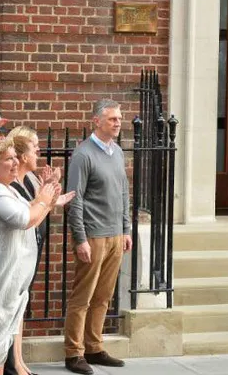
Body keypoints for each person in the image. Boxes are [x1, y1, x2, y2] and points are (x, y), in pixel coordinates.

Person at [0, 139, 72, 375]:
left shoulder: (8, 190)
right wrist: (44, 199)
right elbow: (24, 219)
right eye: (8, 159)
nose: (15, 163)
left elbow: (32, 214)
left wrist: (47, 202)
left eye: (15, 158)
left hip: (9, 282)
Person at [63, 99, 132, 375]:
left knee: (103, 296)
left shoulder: (117, 152)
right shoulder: (83, 154)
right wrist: (80, 239)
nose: (118, 123)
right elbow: (74, 200)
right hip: (92, 236)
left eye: (119, 118)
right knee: (83, 296)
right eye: (113, 119)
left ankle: (94, 346)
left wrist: (126, 229)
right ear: (97, 121)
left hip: (115, 235)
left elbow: (124, 193)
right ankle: (73, 353)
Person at [4, 126, 60, 375]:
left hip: (30, 250)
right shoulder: (11, 185)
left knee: (20, 307)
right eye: (34, 147)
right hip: (15, 255)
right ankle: (11, 364)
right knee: (10, 309)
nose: (39, 151)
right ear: (23, 155)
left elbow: (40, 207)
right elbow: (30, 216)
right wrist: (45, 199)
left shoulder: (29, 179)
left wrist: (49, 194)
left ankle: (18, 362)